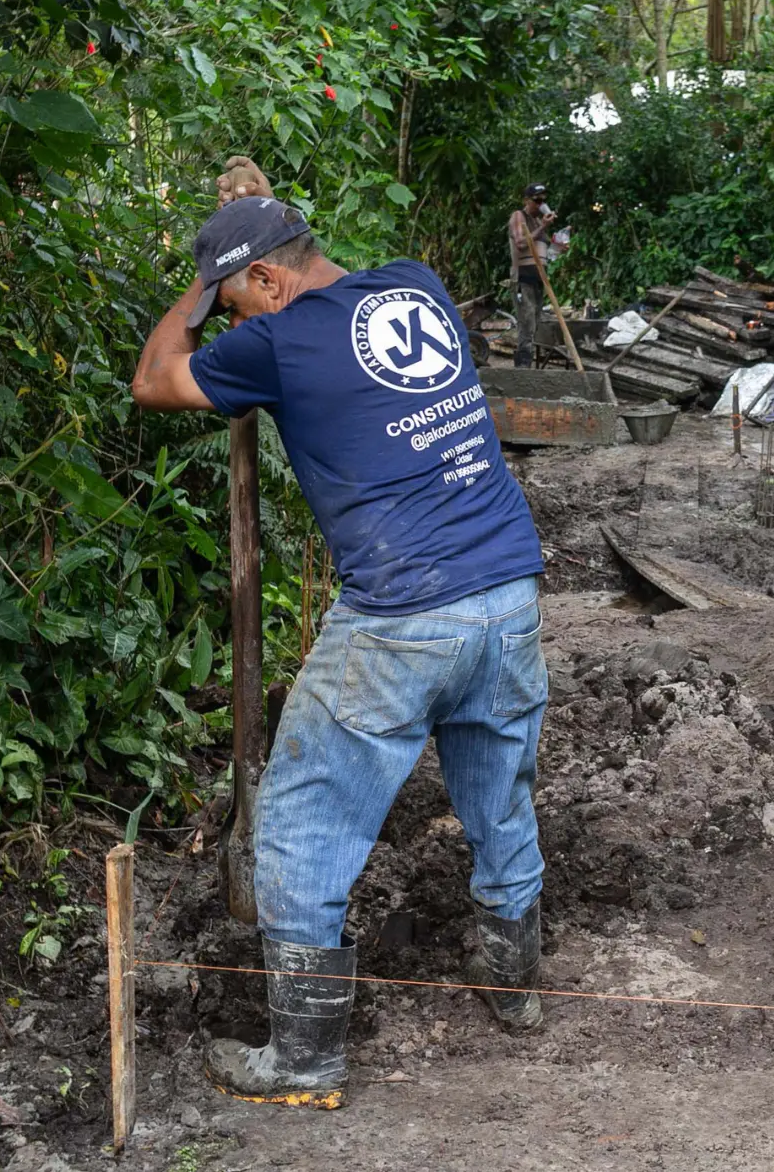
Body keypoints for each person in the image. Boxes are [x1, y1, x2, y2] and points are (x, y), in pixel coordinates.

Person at [132, 157, 548, 1108]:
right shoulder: (415, 284)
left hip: (401, 617)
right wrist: (254, 220)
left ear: (268, 282)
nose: (232, 323)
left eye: (236, 301)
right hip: (508, 595)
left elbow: (154, 381)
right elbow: (331, 290)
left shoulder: (272, 344)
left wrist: (193, 298)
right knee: (499, 792)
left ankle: (306, 1060)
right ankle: (515, 987)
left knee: (301, 819)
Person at [508, 183, 556, 368]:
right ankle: (523, 364)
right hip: (524, 276)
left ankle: (528, 362)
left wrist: (558, 247)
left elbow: (545, 254)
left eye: (543, 200)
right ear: (527, 200)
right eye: (537, 200)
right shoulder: (519, 216)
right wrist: (542, 227)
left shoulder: (538, 223)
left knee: (535, 321)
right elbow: (521, 243)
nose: (541, 204)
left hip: (538, 278)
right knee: (526, 321)